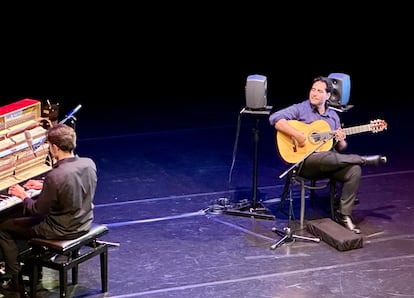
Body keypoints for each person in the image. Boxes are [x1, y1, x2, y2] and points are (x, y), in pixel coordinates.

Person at [269, 76, 386, 234]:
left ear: (328, 96)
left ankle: (344, 215)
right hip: (306, 164)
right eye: (313, 89)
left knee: (354, 170)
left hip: (329, 162)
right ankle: (363, 159)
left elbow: (340, 148)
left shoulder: (333, 117)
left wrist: (341, 139)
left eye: (319, 91)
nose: (315, 94)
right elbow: (275, 119)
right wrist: (298, 135)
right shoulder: (301, 108)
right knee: (324, 156)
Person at [0, 123, 97, 295]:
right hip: (84, 222)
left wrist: (23, 195)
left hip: (62, 229)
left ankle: (15, 280)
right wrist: (44, 185)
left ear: (54, 147)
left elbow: (36, 211)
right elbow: (70, 184)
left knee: (4, 227)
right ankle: (32, 268)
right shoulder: (89, 163)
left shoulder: (55, 175)